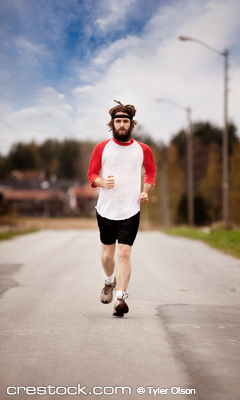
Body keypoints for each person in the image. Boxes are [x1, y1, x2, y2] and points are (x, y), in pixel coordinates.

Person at [88, 100, 156, 317]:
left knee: (124, 252)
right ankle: (109, 281)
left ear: (131, 124)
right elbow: (91, 175)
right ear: (112, 124)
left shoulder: (143, 149)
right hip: (106, 209)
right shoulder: (102, 147)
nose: (122, 125)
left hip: (130, 210)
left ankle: (120, 299)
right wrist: (102, 183)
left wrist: (145, 191)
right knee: (108, 257)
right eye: (118, 121)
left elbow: (151, 172)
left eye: (125, 121)